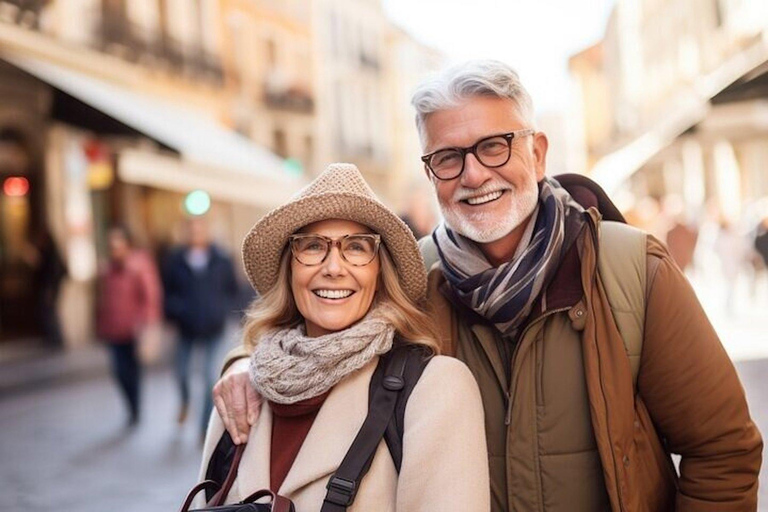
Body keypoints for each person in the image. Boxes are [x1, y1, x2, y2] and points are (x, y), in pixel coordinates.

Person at [213, 61, 763, 511]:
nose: (474, 174)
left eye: (494, 146)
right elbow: (315, 326)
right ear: (431, 174)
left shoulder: (631, 270)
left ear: (538, 152)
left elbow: (724, 451)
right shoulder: (412, 281)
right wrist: (243, 365)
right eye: (448, 158)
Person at [197, 163, 489, 510]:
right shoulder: (239, 396)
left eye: (356, 247)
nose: (333, 268)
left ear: (380, 271)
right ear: (290, 268)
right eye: (312, 246)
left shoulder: (433, 390)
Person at [162, 217, 238, 435]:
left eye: (200, 229)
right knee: (182, 373)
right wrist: (176, 311)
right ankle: (185, 401)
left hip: (214, 327)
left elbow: (233, 289)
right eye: (192, 229)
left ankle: (204, 426)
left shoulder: (221, 259)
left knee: (208, 377)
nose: (196, 233)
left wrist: (222, 310)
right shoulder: (176, 260)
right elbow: (167, 292)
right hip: (186, 327)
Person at [96, 226, 162, 426]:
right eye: (111, 246)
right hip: (114, 330)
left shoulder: (140, 266)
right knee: (118, 371)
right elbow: (102, 301)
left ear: (127, 245)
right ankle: (131, 406)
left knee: (131, 372)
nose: (114, 250)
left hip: (134, 331)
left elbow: (151, 297)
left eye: (118, 245)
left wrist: (148, 325)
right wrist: (99, 326)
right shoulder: (107, 271)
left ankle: (135, 407)